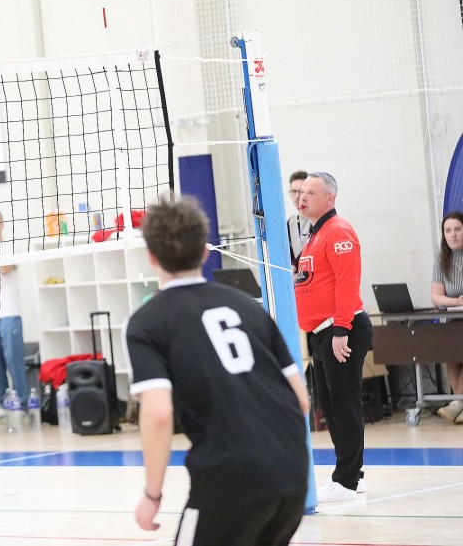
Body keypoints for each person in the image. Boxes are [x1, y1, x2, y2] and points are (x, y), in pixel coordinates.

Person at [125, 197, 308, 545]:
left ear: (151, 256)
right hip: (292, 475)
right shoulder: (248, 308)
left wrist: (152, 495)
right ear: (206, 252)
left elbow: (159, 413)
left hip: (229, 480)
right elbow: (300, 400)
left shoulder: (147, 322)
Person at [294, 171, 372, 502]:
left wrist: (341, 329)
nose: (302, 197)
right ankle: (354, 474)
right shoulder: (315, 234)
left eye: (310, 192)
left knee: (344, 405)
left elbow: (347, 282)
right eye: (301, 192)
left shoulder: (338, 232)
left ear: (330, 198)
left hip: (342, 330)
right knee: (330, 405)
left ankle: (346, 481)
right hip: (322, 333)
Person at [0, 209, 28, 420]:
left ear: (2, 224)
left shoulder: (10, 247)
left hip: (10, 312)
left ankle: (23, 403)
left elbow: (4, 269)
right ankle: (3, 404)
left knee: (14, 361)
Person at [430, 210, 463, 423]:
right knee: (451, 349)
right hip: (454, 320)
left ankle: (458, 403)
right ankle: (460, 403)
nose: (453, 235)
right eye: (448, 230)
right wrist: (457, 302)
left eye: (458, 229)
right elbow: (436, 297)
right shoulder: (441, 260)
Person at [286, 170, 311, 270]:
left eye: (301, 191)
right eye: (294, 191)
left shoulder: (318, 219)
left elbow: (312, 248)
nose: (297, 196)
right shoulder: (290, 223)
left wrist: (295, 266)